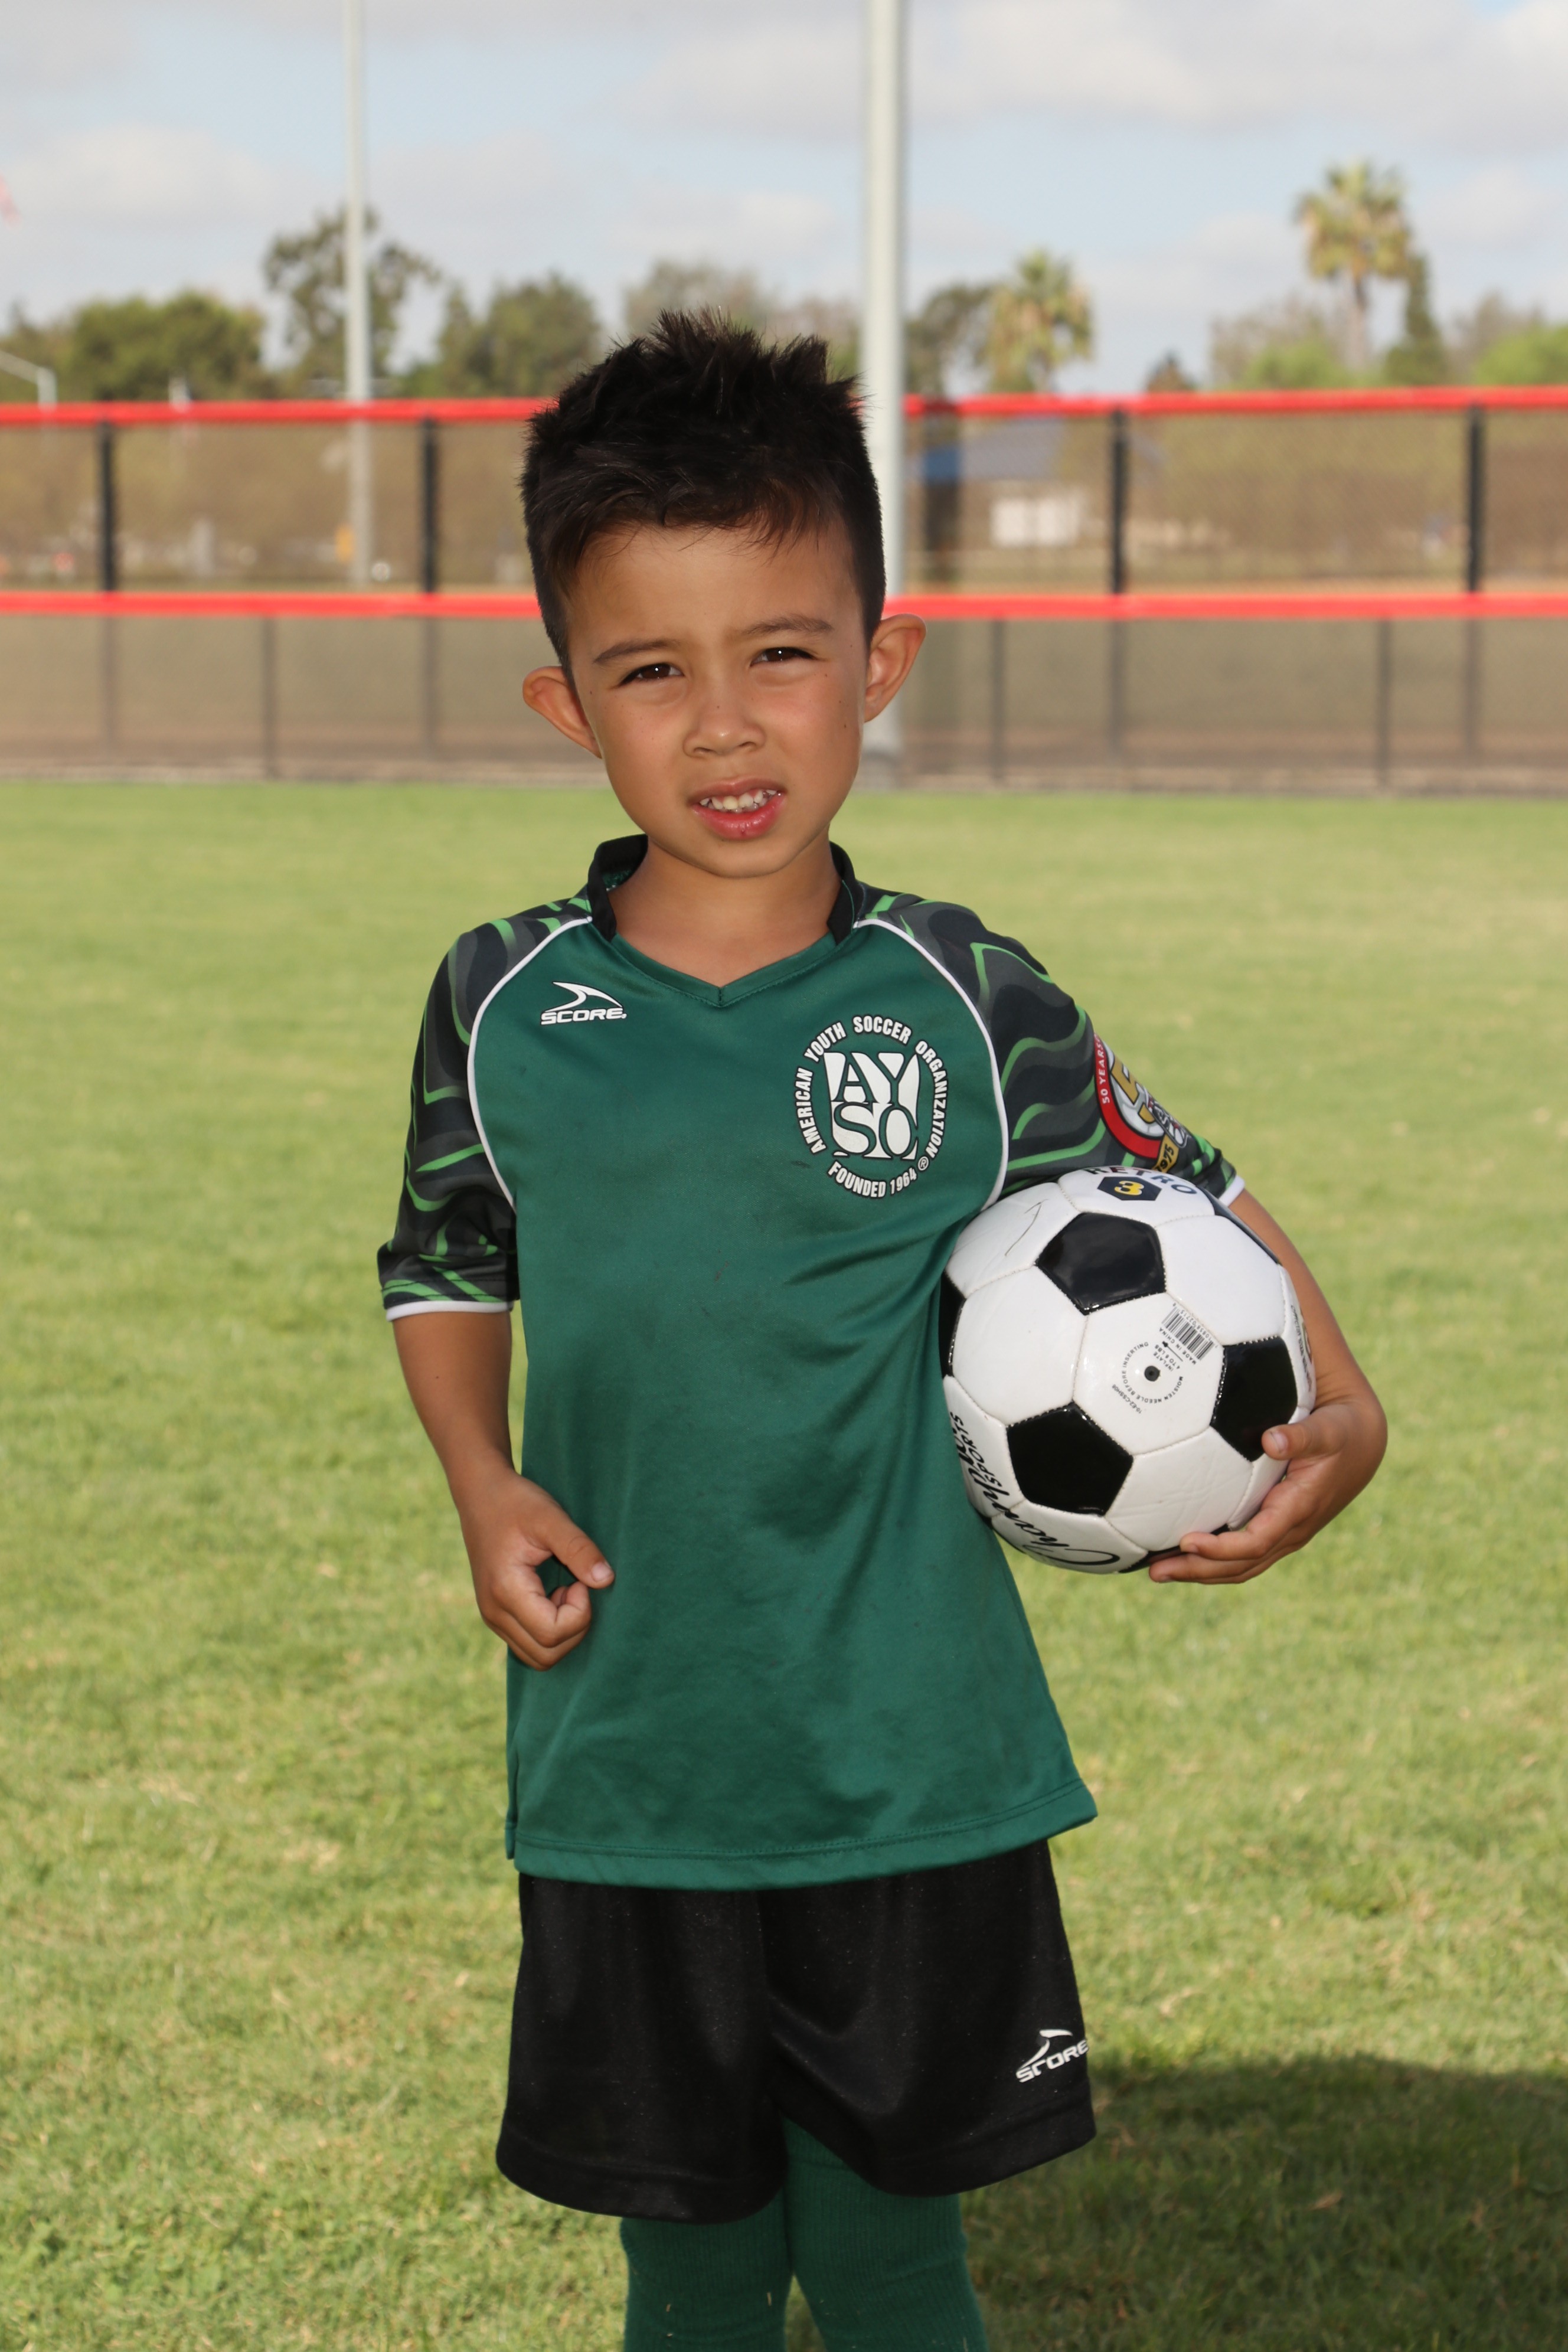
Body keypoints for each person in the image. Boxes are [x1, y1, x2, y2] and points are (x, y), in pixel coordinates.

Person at [377, 314, 1386, 2351]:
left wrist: (1342, 1394)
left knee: (896, 2262)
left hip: (917, 1767)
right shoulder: (503, 999)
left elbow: (1179, 1185)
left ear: (881, 660)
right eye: (651, 671)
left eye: (781, 652)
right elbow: (448, 1262)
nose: (724, 726)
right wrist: (482, 1481)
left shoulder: (961, 992)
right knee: (690, 2267)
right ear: (565, 700)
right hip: (633, 1758)